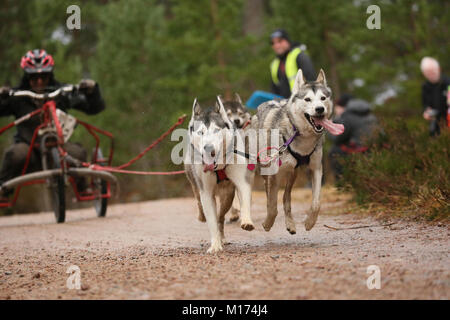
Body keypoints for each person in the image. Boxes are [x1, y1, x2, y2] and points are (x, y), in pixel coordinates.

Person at [0, 49, 105, 197]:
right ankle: (3, 190)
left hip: (59, 146)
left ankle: (83, 188)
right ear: (26, 77)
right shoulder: (16, 96)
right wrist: (2, 97)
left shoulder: (61, 93)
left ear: (50, 75)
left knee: (77, 153)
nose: (40, 82)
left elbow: (94, 108)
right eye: (34, 78)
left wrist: (93, 92)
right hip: (28, 148)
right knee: (15, 154)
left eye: (44, 77)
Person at [328, 95, 378, 180]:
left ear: (341, 107)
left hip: (360, 150)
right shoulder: (371, 115)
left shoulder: (348, 116)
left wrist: (329, 127)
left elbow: (338, 139)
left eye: (336, 107)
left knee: (334, 151)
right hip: (376, 149)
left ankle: (342, 182)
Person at [269, 29, 316, 98]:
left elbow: (311, 81)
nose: (276, 45)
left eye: (280, 41)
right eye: (273, 43)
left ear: (287, 41)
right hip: (285, 105)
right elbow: (274, 89)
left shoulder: (299, 56)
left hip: (302, 103)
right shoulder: (274, 64)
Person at [420, 57, 450, 136]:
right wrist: (426, 111)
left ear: (439, 69)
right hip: (436, 123)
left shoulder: (448, 83)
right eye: (428, 73)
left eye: (432, 72)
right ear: (424, 73)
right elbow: (425, 104)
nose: (431, 75)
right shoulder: (425, 86)